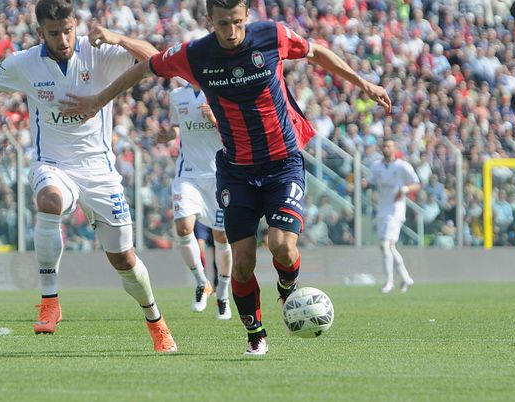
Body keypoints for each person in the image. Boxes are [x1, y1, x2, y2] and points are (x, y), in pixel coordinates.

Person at [59, 0, 391, 355]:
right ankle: (256, 335)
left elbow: (317, 52)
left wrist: (363, 83)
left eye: (236, 22)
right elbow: (146, 66)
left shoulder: (272, 35)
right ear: (209, 21)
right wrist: (97, 100)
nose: (231, 32)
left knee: (282, 245)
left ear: (247, 16)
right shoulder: (195, 54)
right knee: (242, 262)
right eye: (222, 25)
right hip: (236, 171)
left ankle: (286, 287)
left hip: (283, 163)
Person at [0, 0, 177, 353]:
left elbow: (158, 60)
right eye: (53, 33)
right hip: (53, 165)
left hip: (100, 171)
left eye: (67, 30)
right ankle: (50, 301)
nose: (62, 39)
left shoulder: (99, 53)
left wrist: (119, 38)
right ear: (39, 32)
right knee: (49, 201)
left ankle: (156, 322)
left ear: (76, 24)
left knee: (123, 259)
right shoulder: (24, 63)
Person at [157, 82, 232, 319]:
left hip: (218, 175)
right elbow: (179, 128)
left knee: (222, 236)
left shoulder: (221, 90)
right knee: (183, 227)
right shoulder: (177, 95)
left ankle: (223, 293)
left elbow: (234, 131)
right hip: (188, 173)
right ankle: (202, 283)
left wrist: (215, 121)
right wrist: (169, 135)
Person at [363, 138, 420, 294]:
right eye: (384, 146)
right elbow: (369, 181)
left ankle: (389, 281)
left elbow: (416, 183)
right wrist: (363, 183)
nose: (386, 148)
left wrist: (404, 190)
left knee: (385, 245)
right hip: (382, 209)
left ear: (394, 148)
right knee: (389, 247)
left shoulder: (402, 166)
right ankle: (406, 278)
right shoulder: (377, 166)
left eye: (389, 146)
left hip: (396, 210)